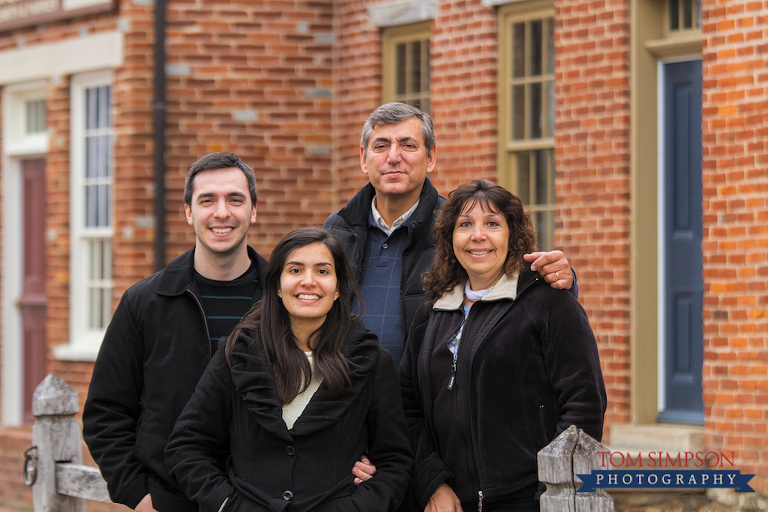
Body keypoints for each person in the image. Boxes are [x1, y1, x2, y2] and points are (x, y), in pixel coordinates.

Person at [165, 228, 413, 512]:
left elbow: (396, 461)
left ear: (338, 289)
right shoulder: (237, 353)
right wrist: (227, 505)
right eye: (295, 270)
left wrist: (358, 508)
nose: (308, 282)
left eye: (322, 271)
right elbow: (186, 447)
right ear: (278, 286)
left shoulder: (369, 361)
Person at [400, 179, 606, 512]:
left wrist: (554, 494)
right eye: (465, 224)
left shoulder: (548, 303)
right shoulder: (433, 312)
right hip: (449, 502)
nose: (477, 235)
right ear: (450, 238)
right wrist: (432, 481)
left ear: (512, 235)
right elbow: (407, 406)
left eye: (492, 224)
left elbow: (584, 405)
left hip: (528, 499)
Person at [324, 102, 577, 369]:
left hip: (424, 400)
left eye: (408, 146)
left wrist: (564, 278)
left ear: (431, 157)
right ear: (364, 158)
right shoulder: (336, 230)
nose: (394, 156)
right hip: (346, 395)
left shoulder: (459, 229)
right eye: (381, 146)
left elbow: (520, 280)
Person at [82, 152, 268, 512]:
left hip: (263, 500)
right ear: (188, 212)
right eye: (207, 200)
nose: (221, 212)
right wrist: (137, 495)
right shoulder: (144, 302)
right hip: (170, 499)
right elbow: (106, 411)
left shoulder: (282, 300)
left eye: (235, 199)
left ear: (253, 210)